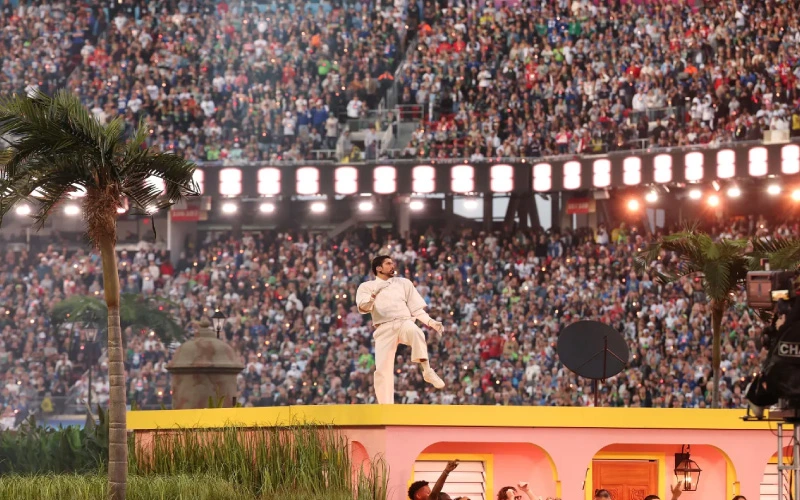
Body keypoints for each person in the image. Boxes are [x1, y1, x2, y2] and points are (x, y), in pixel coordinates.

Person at [357, 255, 445, 404]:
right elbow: (363, 308)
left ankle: (427, 370)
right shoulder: (366, 286)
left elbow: (416, 309)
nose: (393, 266)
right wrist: (373, 295)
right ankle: (386, 407)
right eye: (388, 263)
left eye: (392, 263)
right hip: (383, 327)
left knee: (416, 332)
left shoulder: (404, 283)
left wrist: (431, 322)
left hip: (404, 321)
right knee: (382, 370)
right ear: (378, 268)